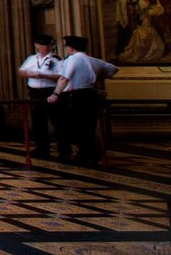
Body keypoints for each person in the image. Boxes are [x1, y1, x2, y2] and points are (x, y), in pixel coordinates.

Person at [47, 34, 118, 167]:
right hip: (90, 95)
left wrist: (55, 94)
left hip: (75, 96)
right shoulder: (93, 60)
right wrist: (96, 77)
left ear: (71, 47)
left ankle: (93, 150)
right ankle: (86, 155)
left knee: (69, 127)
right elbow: (113, 69)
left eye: (67, 46)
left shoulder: (72, 59)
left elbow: (64, 78)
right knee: (87, 127)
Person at [18, 33, 60, 158]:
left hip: (50, 91)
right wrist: (30, 74)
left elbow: (61, 75)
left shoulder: (55, 59)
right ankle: (42, 148)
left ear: (49, 46)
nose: (41, 47)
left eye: (44, 45)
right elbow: (21, 71)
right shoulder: (32, 58)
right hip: (35, 92)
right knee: (38, 121)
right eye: (39, 45)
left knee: (57, 120)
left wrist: (44, 75)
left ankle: (64, 149)